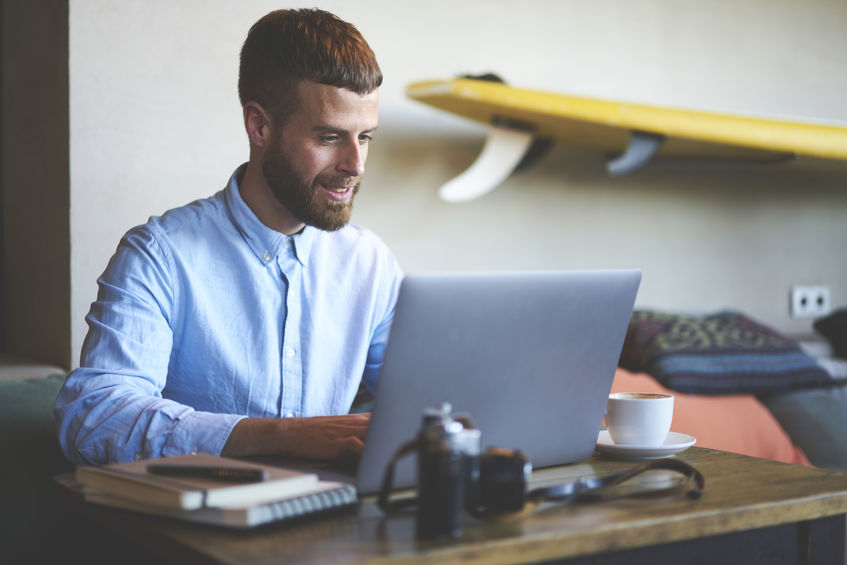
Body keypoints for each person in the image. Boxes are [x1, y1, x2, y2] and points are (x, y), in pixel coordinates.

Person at [54, 8, 403, 466]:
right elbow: (95, 418)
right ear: (259, 126)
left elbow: (421, 396)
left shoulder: (369, 263)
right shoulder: (159, 256)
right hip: (191, 531)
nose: (355, 165)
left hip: (333, 521)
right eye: (329, 137)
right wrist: (282, 437)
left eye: (366, 138)